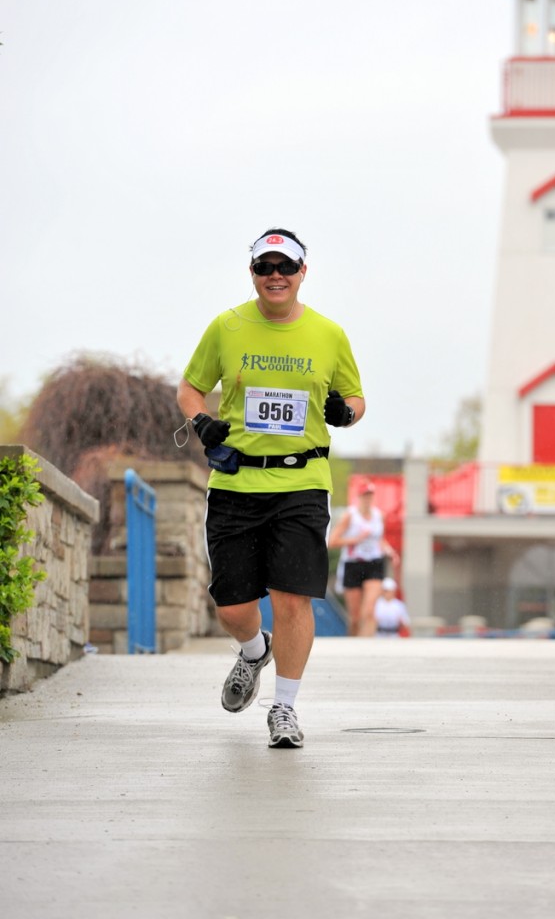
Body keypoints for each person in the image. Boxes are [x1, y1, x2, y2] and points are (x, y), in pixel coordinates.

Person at [177, 228, 364, 749]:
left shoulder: (329, 334)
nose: (275, 275)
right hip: (236, 481)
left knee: (292, 601)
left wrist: (344, 413)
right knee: (234, 607)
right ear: (253, 273)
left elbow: (354, 396)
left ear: (304, 272)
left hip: (302, 481)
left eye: (286, 266)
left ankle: (284, 708)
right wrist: (200, 422)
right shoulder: (227, 326)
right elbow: (190, 387)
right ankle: (254, 652)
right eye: (265, 267)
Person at [328, 481, 399, 636]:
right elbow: (332, 541)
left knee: (368, 611)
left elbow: (380, 539)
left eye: (370, 495)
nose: (368, 499)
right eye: (365, 495)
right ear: (359, 497)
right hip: (353, 564)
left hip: (373, 563)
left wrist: (390, 551)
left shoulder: (379, 515)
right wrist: (356, 539)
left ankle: (368, 646)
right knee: (355, 617)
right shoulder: (350, 516)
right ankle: (353, 644)